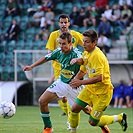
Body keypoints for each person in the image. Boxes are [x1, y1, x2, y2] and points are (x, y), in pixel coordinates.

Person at [23, 32, 87, 133]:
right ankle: (48, 128)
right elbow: (46, 57)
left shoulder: (77, 54)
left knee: (88, 111)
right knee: (42, 101)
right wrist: (32, 66)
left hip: (75, 86)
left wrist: (78, 62)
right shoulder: (58, 51)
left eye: (64, 44)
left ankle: (103, 125)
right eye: (60, 43)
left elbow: (84, 63)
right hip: (61, 83)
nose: (61, 46)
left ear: (70, 43)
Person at [69, 29, 128, 133]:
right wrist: (75, 79)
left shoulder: (97, 56)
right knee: (74, 108)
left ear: (94, 43)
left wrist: (80, 82)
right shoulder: (87, 52)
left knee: (92, 122)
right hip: (90, 90)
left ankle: (120, 117)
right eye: (83, 41)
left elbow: (99, 78)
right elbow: (83, 68)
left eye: (87, 41)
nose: (83, 44)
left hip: (103, 93)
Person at [45, 14, 83, 117]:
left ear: (69, 23)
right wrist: (60, 59)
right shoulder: (53, 35)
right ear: (58, 23)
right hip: (59, 69)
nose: (63, 24)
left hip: (74, 70)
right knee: (61, 97)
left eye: (65, 22)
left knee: (74, 96)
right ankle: (68, 114)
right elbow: (49, 52)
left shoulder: (75, 35)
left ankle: (72, 113)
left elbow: (86, 44)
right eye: (61, 22)